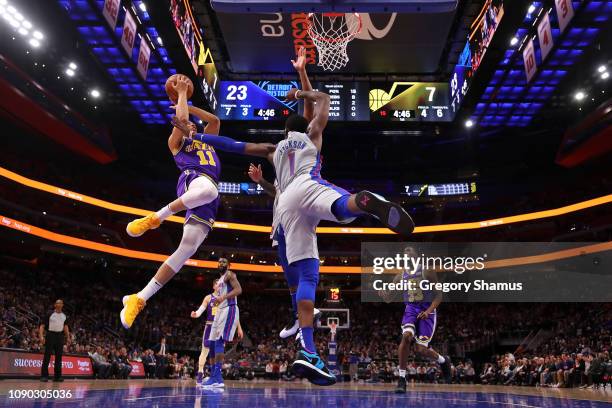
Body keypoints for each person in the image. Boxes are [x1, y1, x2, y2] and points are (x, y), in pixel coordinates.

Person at [172, 88, 415, 387]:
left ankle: (308, 349)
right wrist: (302, 92)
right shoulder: (313, 135)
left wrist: (197, 138)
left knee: (304, 279)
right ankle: (362, 203)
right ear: (306, 125)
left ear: (285, 130)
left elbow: (232, 145)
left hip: (285, 204)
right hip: (308, 184)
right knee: (344, 208)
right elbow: (323, 101)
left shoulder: (273, 148)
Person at [120, 74, 224, 329]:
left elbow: (214, 120)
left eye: (193, 125)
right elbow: (184, 121)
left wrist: (187, 99)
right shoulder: (176, 143)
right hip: (194, 181)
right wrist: (180, 95)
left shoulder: (207, 141)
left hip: (205, 196)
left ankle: (139, 298)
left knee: (185, 250)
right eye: (186, 124)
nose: (192, 126)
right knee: (210, 190)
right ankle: (155, 218)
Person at [381, 246, 451, 393]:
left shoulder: (427, 271)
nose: (406, 254)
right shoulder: (400, 276)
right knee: (406, 337)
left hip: (427, 309)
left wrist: (429, 311)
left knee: (421, 350)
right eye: (404, 253)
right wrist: (383, 294)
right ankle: (401, 379)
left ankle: (443, 361)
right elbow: (389, 299)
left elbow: (439, 295)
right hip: (411, 309)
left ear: (416, 256)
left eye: (409, 251)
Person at [202, 258, 244, 388]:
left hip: (229, 309)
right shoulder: (219, 280)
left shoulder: (230, 274)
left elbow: (238, 290)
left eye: (224, 262)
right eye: (219, 262)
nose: (221, 263)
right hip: (219, 311)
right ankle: (216, 377)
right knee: (212, 343)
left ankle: (217, 375)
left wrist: (222, 298)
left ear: (229, 265)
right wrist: (218, 301)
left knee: (219, 341)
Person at [191, 278, 220, 386]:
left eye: (221, 284)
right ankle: (200, 373)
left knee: (218, 353)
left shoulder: (224, 298)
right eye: (217, 284)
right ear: (213, 286)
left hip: (219, 328)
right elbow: (200, 311)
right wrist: (196, 314)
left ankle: (215, 376)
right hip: (209, 326)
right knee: (205, 351)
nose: (219, 286)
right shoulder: (208, 298)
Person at [39, 299, 70, 382]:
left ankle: (57, 376)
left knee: (59, 357)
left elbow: (65, 327)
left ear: (62, 305)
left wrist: (68, 337)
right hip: (50, 335)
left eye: (60, 303)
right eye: (57, 303)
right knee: (47, 355)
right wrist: (41, 336)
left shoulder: (64, 316)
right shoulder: (50, 313)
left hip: (60, 336)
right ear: (55, 305)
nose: (59, 304)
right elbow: (42, 325)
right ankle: (44, 376)